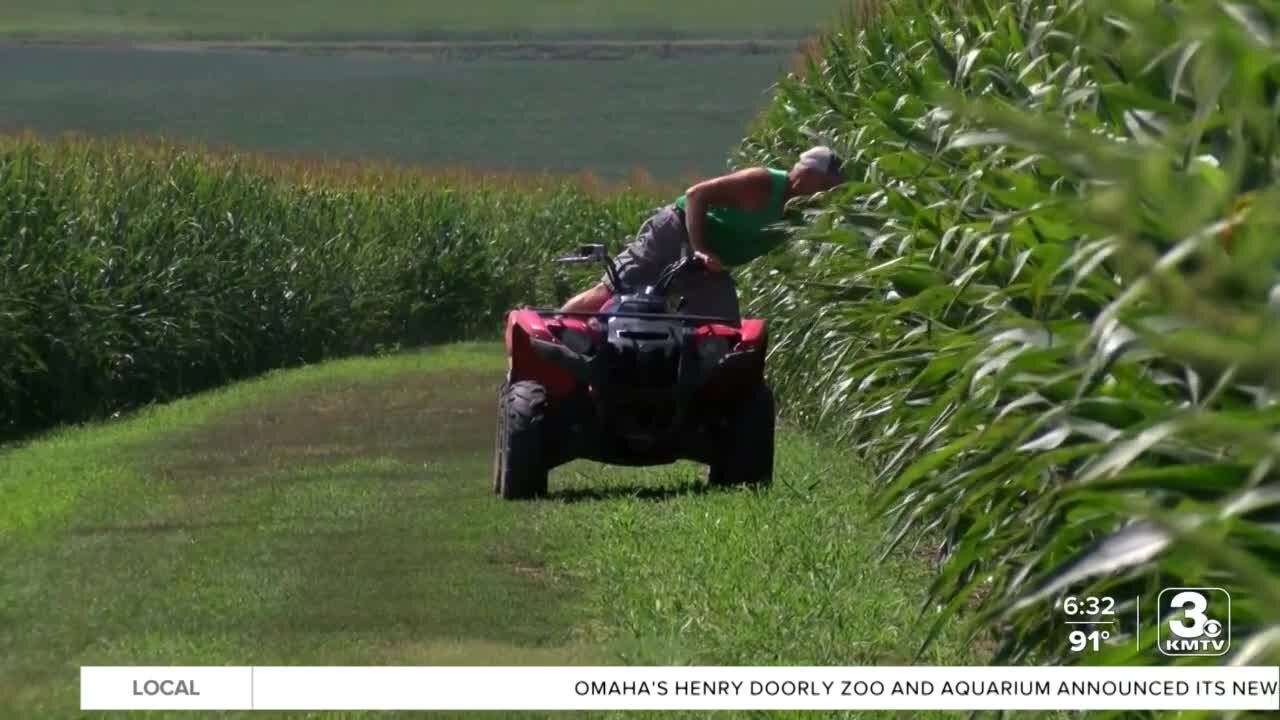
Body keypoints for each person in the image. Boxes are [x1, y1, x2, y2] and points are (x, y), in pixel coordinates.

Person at [560, 146, 846, 324]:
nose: (827, 194)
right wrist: (700, 249)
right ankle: (552, 341)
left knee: (724, 327)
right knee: (611, 292)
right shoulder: (763, 183)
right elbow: (696, 194)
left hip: (711, 265)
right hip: (676, 233)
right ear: (805, 175)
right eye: (826, 185)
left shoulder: (803, 210)